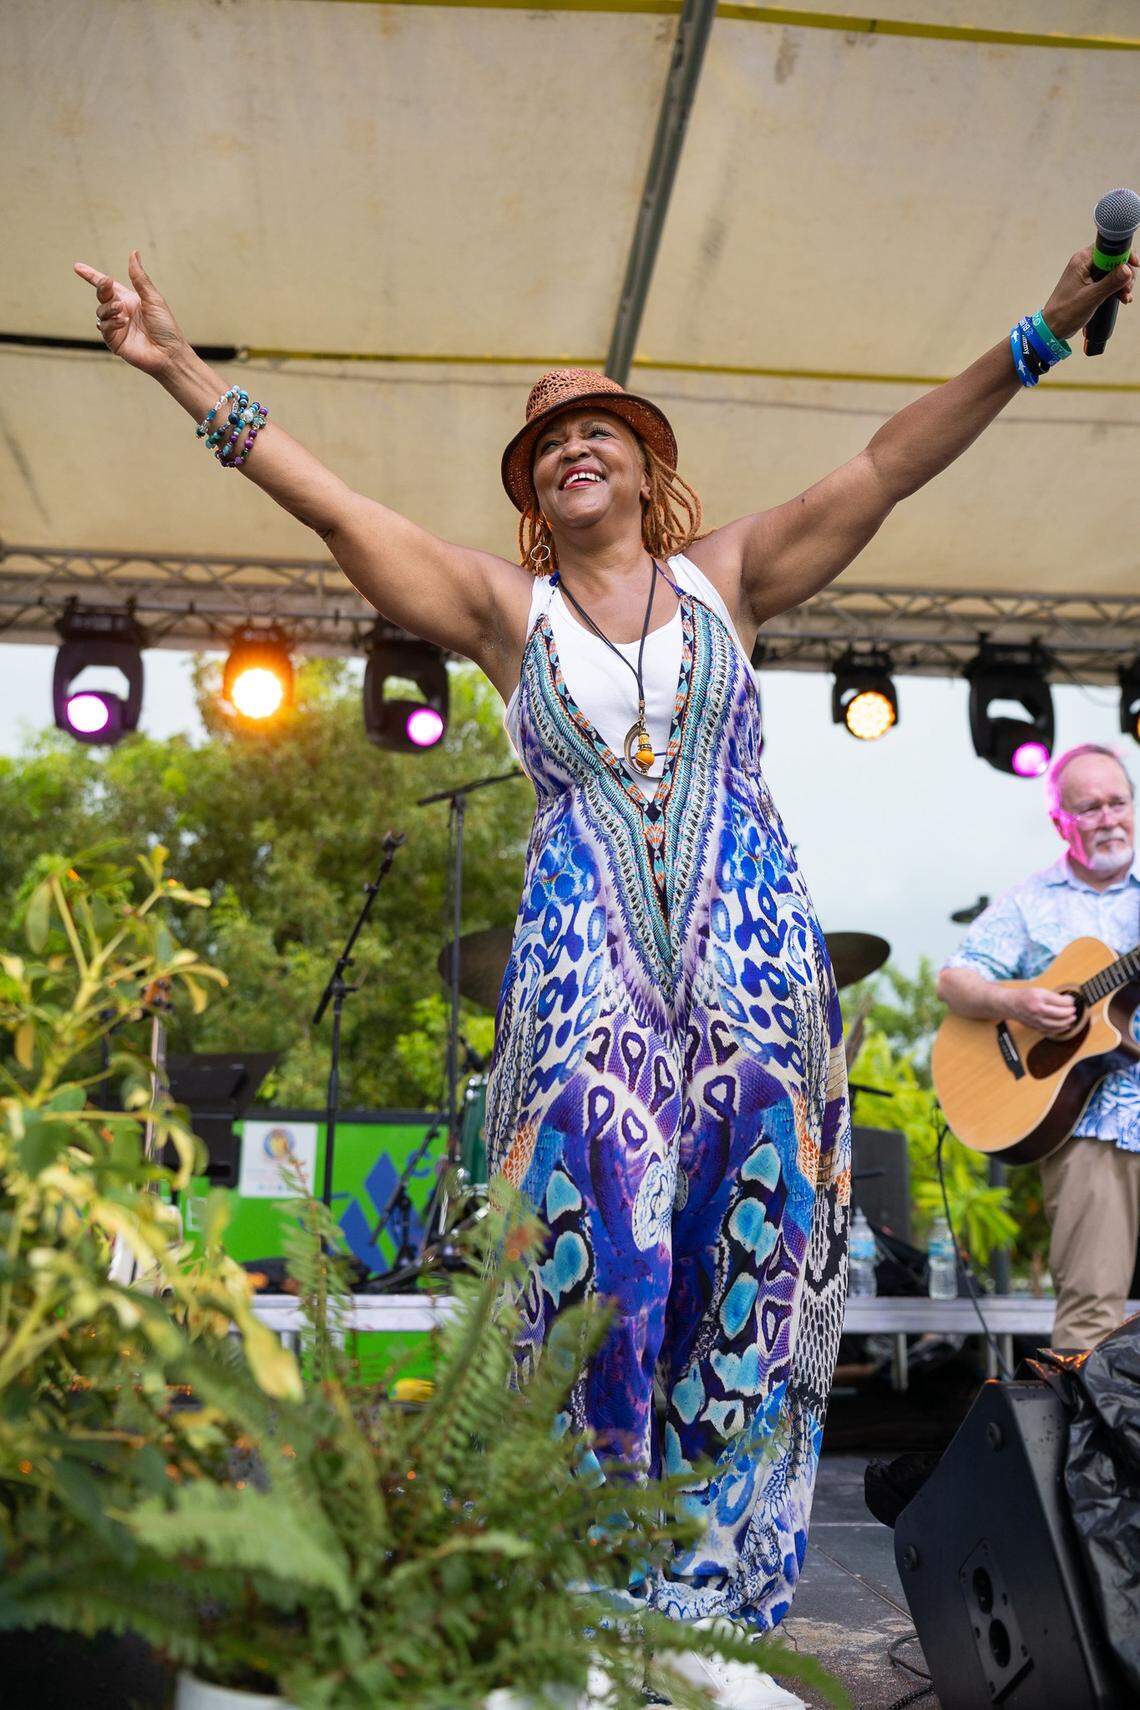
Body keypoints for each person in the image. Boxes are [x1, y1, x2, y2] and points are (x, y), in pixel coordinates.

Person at [75, 242, 1133, 1702]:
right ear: (533, 492)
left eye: (599, 428)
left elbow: (890, 464)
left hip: (757, 988)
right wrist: (181, 371)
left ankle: (716, 1614)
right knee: (597, 1271)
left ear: (645, 463)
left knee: (750, 1286)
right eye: (545, 439)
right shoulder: (509, 616)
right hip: (590, 993)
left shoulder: (729, 578)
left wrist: (1036, 334)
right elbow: (328, 503)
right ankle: (590, 1594)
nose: (573, 443)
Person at [938, 744, 1140, 1353]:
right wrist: (1015, 1003)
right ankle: (1086, 1450)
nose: (1108, 817)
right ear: (1061, 822)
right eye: (1090, 808)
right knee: (1090, 1316)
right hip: (1094, 1129)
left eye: (1118, 802)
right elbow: (955, 979)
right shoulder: (1032, 901)